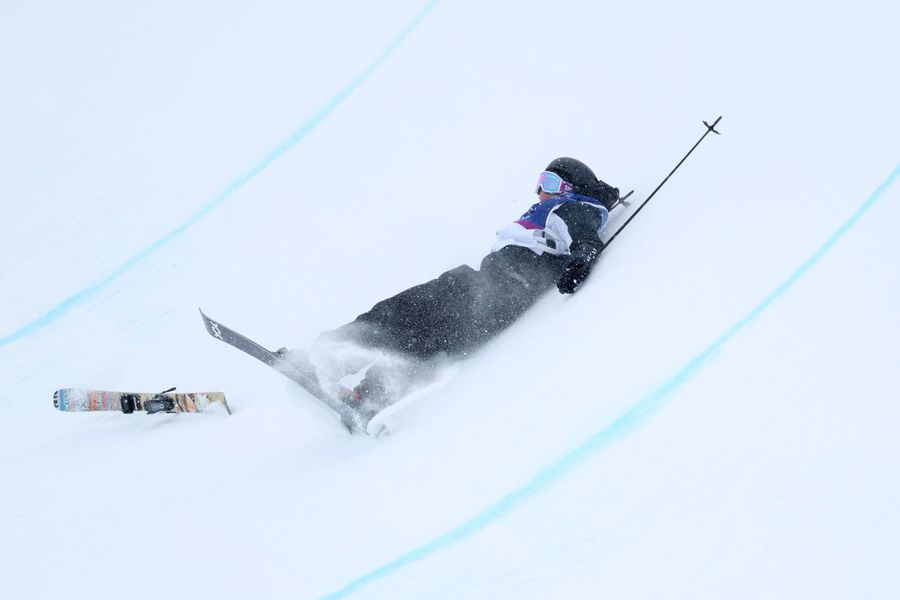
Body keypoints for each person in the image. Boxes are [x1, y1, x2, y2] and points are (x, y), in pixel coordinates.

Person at [287, 157, 623, 416]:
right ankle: (342, 367)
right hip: (480, 284)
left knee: (416, 330)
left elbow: (585, 241)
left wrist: (580, 264)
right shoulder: (551, 208)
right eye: (538, 182)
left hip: (497, 293)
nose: (539, 190)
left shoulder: (572, 208)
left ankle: (353, 379)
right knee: (404, 317)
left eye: (548, 181)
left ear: (569, 188)